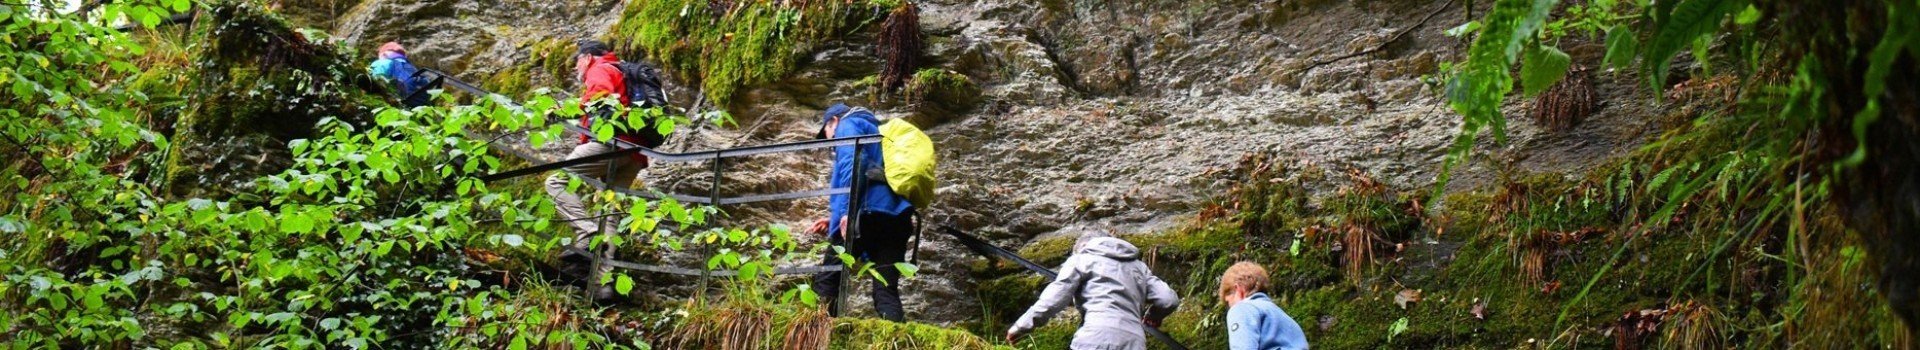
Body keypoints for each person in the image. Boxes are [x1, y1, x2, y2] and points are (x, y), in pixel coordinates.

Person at [545, 40, 645, 303]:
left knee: (557, 181)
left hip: (608, 143)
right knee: (609, 215)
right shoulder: (622, 70)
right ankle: (604, 286)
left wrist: (562, 111)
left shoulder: (600, 69)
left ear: (587, 57)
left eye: (577, 60)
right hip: (634, 153)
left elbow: (600, 95)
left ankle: (588, 234)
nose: (576, 67)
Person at [808, 102, 916, 322]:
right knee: (885, 289)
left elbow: (854, 163)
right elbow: (873, 179)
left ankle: (821, 334)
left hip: (864, 215)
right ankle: (896, 340)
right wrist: (833, 219)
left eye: (826, 132)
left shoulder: (848, 124)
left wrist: (847, 211)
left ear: (834, 121)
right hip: (895, 217)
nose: (829, 140)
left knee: (828, 279)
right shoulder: (877, 134)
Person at [1006, 231, 1181, 350]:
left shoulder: (1082, 259)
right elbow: (1168, 300)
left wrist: (1021, 326)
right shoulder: (1139, 267)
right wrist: (1152, 318)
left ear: (1082, 246)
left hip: (1095, 337)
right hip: (1134, 342)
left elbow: (1054, 298)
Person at [1219, 261, 1309, 350]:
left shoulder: (1242, 308)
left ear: (1238, 289)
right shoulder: (1284, 317)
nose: (1230, 307)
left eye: (1228, 302)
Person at [366, 42, 431, 107]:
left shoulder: (383, 63)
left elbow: (373, 80)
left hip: (400, 105)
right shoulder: (414, 69)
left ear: (384, 55)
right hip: (421, 108)